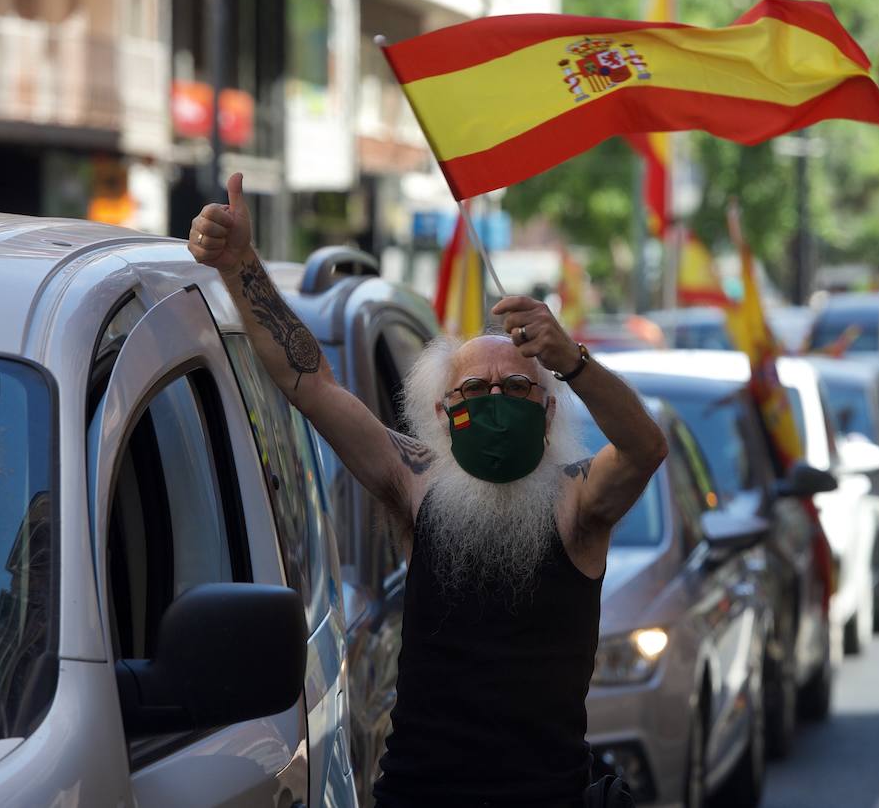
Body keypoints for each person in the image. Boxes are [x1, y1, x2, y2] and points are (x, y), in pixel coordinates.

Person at [189, 174, 668, 808]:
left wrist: (571, 360)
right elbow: (310, 383)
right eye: (474, 391)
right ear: (442, 412)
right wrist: (238, 263)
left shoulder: (576, 503)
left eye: (519, 389)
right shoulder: (415, 479)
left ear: (549, 412)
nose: (496, 399)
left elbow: (644, 448)